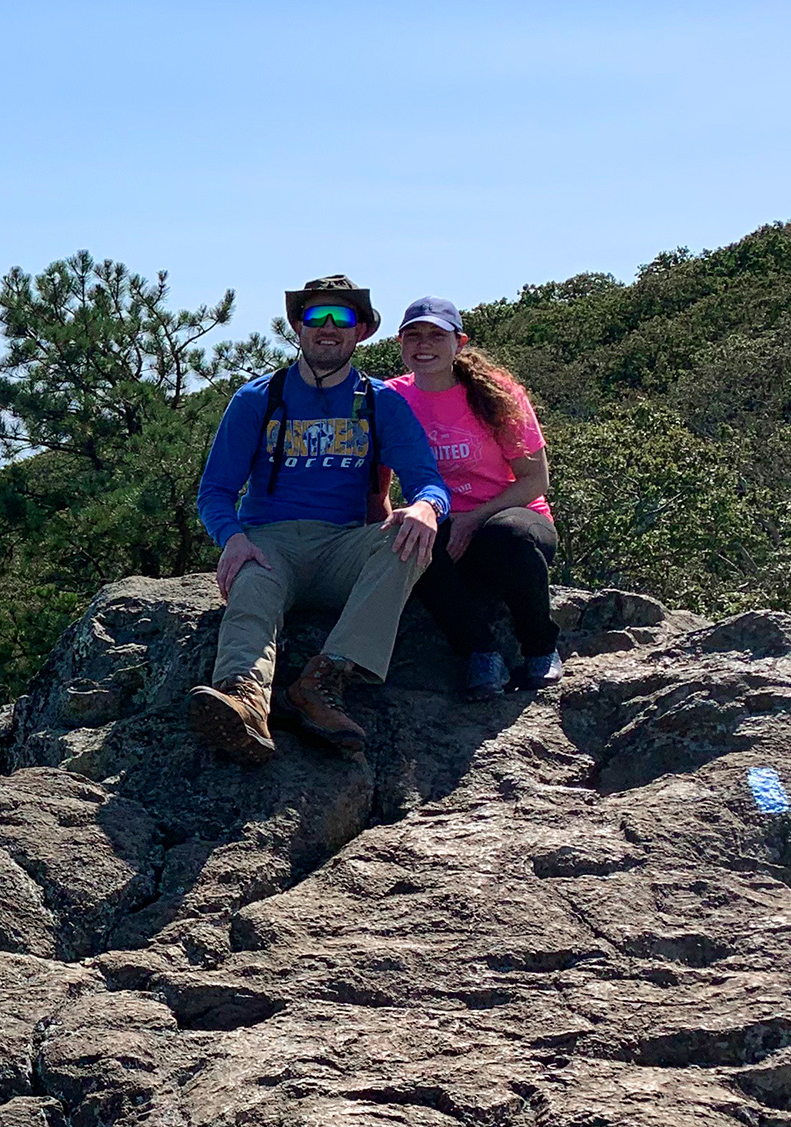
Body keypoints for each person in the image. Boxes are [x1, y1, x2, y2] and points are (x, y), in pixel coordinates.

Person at [188, 275, 451, 765]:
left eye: (342, 318)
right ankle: (244, 700)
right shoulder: (257, 399)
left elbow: (428, 480)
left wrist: (424, 507)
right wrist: (234, 540)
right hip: (270, 544)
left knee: (407, 542)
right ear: (297, 326)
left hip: (343, 548)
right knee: (251, 588)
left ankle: (322, 680)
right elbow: (216, 491)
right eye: (316, 317)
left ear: (362, 332)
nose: (328, 328)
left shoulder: (381, 403)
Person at [384, 297, 562, 698]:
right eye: (413, 335)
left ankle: (540, 648)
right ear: (400, 342)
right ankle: (480, 654)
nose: (423, 344)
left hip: (511, 522)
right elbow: (375, 475)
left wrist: (473, 519)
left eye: (436, 334)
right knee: (410, 542)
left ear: (459, 342)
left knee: (509, 537)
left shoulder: (497, 394)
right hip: (441, 526)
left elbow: (535, 479)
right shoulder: (391, 398)